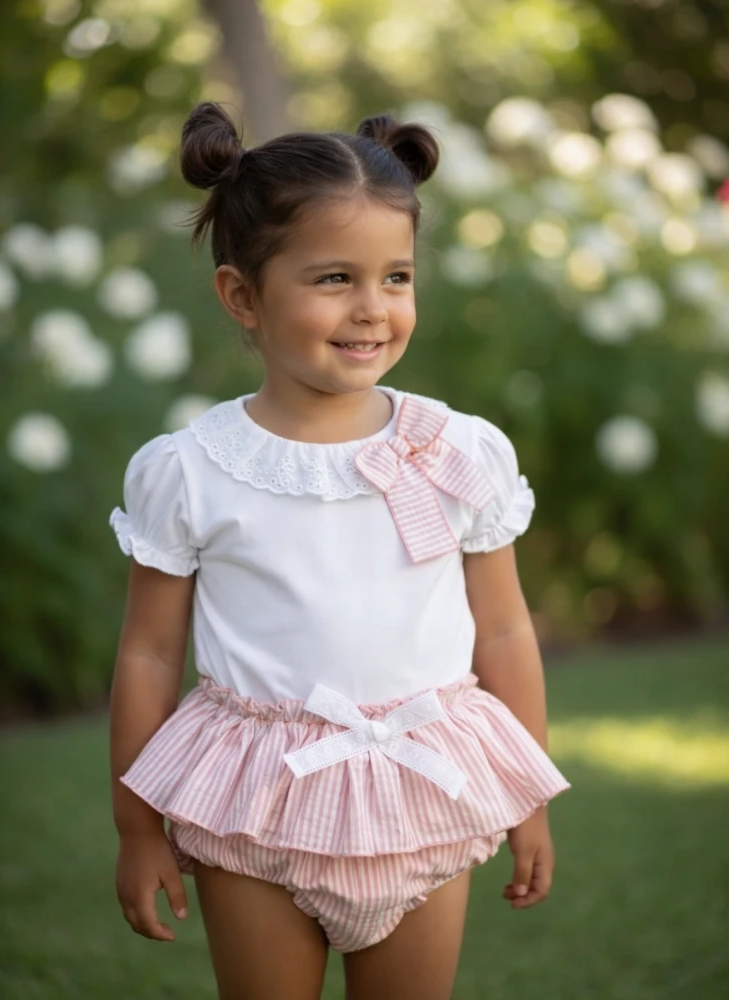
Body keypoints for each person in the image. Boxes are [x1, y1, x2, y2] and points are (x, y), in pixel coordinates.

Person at [108, 102, 570, 1000]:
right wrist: (136, 827)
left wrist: (530, 798)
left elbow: (505, 630)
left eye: (395, 277)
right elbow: (150, 651)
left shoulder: (457, 450)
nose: (372, 309)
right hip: (257, 802)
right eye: (333, 279)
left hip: (421, 789)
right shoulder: (193, 469)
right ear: (242, 294)